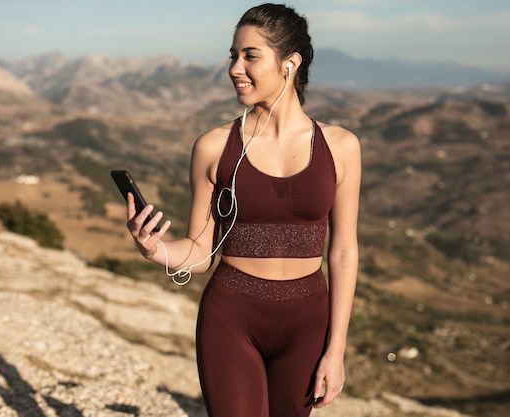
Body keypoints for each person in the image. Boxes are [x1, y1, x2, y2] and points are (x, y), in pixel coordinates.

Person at [126, 3, 361, 416]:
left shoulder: (341, 147)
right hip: (231, 317)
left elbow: (342, 252)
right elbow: (199, 253)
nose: (235, 68)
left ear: (290, 63)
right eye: (233, 55)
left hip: (309, 323)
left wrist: (336, 349)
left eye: (250, 56)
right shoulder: (214, 146)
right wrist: (154, 249)